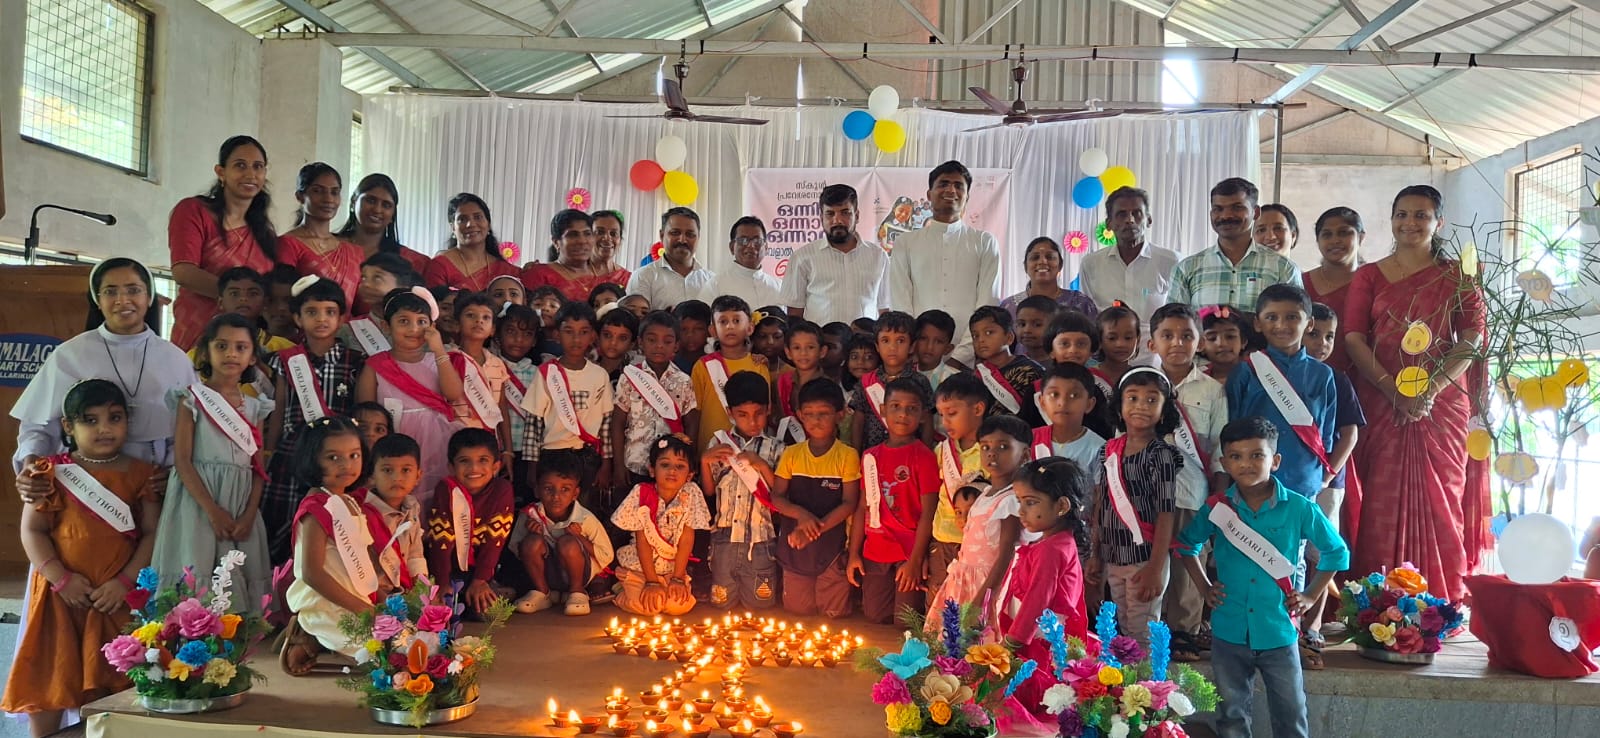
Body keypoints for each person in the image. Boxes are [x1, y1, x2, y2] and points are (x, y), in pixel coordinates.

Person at [1344, 184, 1487, 601]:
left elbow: (1472, 337)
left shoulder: (1459, 275)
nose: (1410, 223)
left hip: (1440, 406)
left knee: (1443, 498)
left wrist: (1429, 391)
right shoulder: (1369, 276)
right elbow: (1353, 338)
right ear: (1391, 220)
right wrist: (1394, 391)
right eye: (1402, 214)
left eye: (1421, 215)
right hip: (1380, 400)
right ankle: (1375, 604)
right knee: (1379, 500)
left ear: (1438, 223)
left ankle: (1441, 601)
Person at [2, 380, 160, 737]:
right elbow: (32, 532)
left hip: (114, 599)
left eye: (114, 418)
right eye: (90, 420)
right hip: (59, 598)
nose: (104, 428)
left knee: (112, 685)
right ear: (68, 427)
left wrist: (124, 582)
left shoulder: (143, 474)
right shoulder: (48, 472)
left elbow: (152, 533)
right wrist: (60, 578)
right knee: (49, 679)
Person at [1176, 417, 1348, 738]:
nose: (1246, 464)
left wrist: (1311, 594)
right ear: (1225, 463)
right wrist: (1204, 587)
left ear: (1275, 460)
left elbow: (1336, 552)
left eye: (1257, 455)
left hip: (1278, 630)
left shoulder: (1299, 508)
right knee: (1231, 715)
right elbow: (1186, 545)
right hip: (1229, 630)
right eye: (1236, 457)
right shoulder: (1217, 508)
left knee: (1291, 713)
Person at [12, 260, 195, 503]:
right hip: (82, 483)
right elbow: (38, 425)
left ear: (149, 297)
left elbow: (190, 431)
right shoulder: (70, 354)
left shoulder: (176, 359)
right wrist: (31, 464)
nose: (122, 300)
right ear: (97, 300)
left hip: (153, 485)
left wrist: (175, 471)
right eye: (110, 291)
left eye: (133, 290)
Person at [150, 313, 272, 608]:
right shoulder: (190, 399)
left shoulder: (255, 407)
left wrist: (249, 514)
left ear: (252, 357)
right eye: (222, 346)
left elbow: (258, 467)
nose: (231, 354)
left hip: (240, 501)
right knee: (197, 574)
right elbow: (182, 461)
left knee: (237, 586)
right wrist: (212, 511)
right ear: (205, 352)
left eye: (241, 347)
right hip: (198, 504)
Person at [263, 278, 365, 563]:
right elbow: (279, 410)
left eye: (330, 312)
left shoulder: (355, 361)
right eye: (312, 312)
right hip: (292, 453)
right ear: (297, 318)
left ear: (341, 318)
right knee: (282, 523)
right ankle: (282, 581)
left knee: (333, 523)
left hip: (338, 456)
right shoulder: (284, 360)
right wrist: (268, 452)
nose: (321, 319)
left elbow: (359, 411)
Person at [1148, 303, 1227, 662]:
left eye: (1186, 336)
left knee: (1187, 558)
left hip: (1192, 492)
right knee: (1149, 559)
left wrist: (1219, 495)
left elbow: (1220, 446)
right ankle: (1150, 628)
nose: (1177, 343)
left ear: (1200, 342)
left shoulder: (1212, 390)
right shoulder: (1141, 383)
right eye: (1167, 335)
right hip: (1147, 493)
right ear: (1152, 343)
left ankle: (1184, 630)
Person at [1089, 368, 1183, 647]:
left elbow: (1166, 513)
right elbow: (1102, 502)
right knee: (1123, 628)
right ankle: (1130, 676)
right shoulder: (1108, 450)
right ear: (1119, 406)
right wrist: (1095, 554)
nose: (1141, 405)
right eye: (1132, 398)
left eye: (1152, 400)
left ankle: (1149, 677)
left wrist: (1155, 567)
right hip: (1113, 555)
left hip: (1145, 557)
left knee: (1142, 633)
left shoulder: (1161, 455)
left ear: (1164, 411)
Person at [1225, 284, 1336, 511]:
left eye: (1292, 317)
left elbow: (1326, 435)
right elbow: (1230, 429)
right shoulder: (1245, 371)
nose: (1282, 325)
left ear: (1309, 323)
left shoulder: (1322, 374)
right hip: (1252, 484)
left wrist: (1322, 478)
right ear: (1258, 323)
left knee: (1298, 535)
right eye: (1271, 317)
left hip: (1303, 482)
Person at [282, 417, 378, 675]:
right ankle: (309, 632)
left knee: (415, 636)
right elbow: (311, 573)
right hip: (329, 601)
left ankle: (314, 639)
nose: (346, 465)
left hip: (356, 596)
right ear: (312, 460)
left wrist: (382, 593)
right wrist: (364, 610)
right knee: (391, 656)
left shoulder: (350, 501)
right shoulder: (316, 508)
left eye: (354, 455)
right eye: (333, 458)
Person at [1000, 458, 1093, 725]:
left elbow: (1036, 602)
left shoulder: (1052, 549)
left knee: (1030, 704)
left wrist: (1013, 642)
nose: (1021, 511)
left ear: (1062, 506)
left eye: (1030, 502)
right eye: (1019, 501)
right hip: (1034, 635)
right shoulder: (1052, 541)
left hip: (1036, 641)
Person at [355, 287, 467, 505]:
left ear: (432, 327)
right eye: (404, 321)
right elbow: (365, 411)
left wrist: (439, 350)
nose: (414, 328)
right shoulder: (376, 365)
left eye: (421, 322)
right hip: (392, 445)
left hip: (435, 442)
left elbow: (453, 394)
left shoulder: (437, 360)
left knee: (434, 498)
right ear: (386, 326)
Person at [167, 135, 279, 350]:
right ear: (221, 172)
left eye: (258, 167)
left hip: (246, 344)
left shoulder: (265, 233)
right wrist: (238, 297)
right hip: (198, 334)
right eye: (240, 165)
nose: (250, 174)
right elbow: (184, 272)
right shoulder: (194, 211)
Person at [926, 415, 1037, 632]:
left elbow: (1006, 554)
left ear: (1025, 454)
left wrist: (985, 599)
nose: (992, 453)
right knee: (955, 639)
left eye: (1003, 447)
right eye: (985, 447)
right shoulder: (985, 493)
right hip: (966, 580)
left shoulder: (1011, 500)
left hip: (989, 584)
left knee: (981, 639)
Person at [1300, 302, 1367, 659]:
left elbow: (1349, 434)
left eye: (1329, 337)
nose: (1322, 343)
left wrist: (1328, 474)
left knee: (1321, 551)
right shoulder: (1281, 376)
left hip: (1327, 481)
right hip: (1290, 477)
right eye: (1314, 334)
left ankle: (1313, 625)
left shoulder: (1337, 379)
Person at [888, 161, 1001, 367]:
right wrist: (915, 348)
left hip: (971, 359)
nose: (951, 190)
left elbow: (988, 305)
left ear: (967, 196)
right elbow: (901, 302)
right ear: (929, 194)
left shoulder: (984, 242)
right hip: (918, 358)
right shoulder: (906, 243)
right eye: (943, 184)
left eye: (958, 186)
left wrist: (961, 356)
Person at [848, 377, 939, 625]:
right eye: (896, 406)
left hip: (908, 550)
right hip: (876, 548)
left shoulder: (924, 457)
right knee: (874, 615)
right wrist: (854, 553)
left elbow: (928, 513)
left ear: (922, 415)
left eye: (912, 408)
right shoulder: (870, 456)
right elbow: (862, 508)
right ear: (882, 410)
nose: (903, 414)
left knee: (905, 622)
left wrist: (916, 560)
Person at [771, 378, 859, 618]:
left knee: (833, 613)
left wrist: (812, 529)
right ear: (799, 415)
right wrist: (801, 516)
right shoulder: (792, 454)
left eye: (824, 413)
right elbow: (777, 496)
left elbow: (849, 503)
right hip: (796, 543)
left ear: (840, 415)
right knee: (798, 610)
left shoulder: (847, 455)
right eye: (809, 414)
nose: (816, 420)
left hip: (831, 544)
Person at [700, 372, 786, 610]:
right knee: (722, 604)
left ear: (769, 409)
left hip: (761, 538)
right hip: (724, 538)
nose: (752, 422)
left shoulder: (777, 448)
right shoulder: (719, 444)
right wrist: (705, 461)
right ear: (730, 413)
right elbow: (709, 490)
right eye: (743, 415)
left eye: (759, 413)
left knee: (760, 604)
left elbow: (781, 495)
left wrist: (761, 466)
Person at [521, 301, 615, 514]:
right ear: (557, 334)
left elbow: (606, 424)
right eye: (569, 331)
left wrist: (606, 463)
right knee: (552, 510)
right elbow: (533, 423)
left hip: (587, 457)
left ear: (593, 336)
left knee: (583, 511)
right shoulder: (546, 372)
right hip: (552, 456)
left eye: (584, 332)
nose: (576, 339)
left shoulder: (599, 375)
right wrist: (532, 466)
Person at [611, 435, 712, 615]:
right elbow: (643, 541)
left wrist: (678, 579)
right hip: (642, 569)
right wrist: (651, 582)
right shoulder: (642, 493)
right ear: (652, 470)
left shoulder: (691, 493)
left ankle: (663, 589)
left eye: (680, 466)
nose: (672, 470)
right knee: (647, 607)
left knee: (679, 606)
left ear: (690, 475)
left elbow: (686, 539)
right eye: (665, 465)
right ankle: (623, 590)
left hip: (672, 570)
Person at [1169, 178, 1301, 312]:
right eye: (1218, 209)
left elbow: (1294, 320)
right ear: (1211, 214)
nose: (1226, 216)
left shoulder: (1284, 268)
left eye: (1237, 208)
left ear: (1256, 213)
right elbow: (1174, 321)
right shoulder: (1186, 269)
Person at [507, 452, 614, 616]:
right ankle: (543, 592)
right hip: (547, 574)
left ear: (575, 494)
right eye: (548, 489)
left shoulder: (584, 518)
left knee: (568, 543)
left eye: (565, 489)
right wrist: (534, 535)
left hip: (580, 576)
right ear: (537, 490)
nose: (556, 496)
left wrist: (580, 538)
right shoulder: (530, 515)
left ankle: (577, 592)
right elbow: (516, 548)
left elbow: (607, 555)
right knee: (531, 542)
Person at [426, 427, 516, 617]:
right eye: (464, 461)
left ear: (496, 466)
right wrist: (442, 583)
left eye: (482, 460)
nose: (474, 468)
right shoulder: (445, 490)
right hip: (450, 569)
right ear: (451, 468)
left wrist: (480, 580)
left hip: (485, 568)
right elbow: (440, 542)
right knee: (441, 610)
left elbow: (494, 541)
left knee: (488, 613)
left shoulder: (502, 489)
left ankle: (494, 588)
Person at [781, 184, 889, 326]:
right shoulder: (802, 258)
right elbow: (794, 314)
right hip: (821, 339)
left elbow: (885, 309)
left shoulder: (878, 256)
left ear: (856, 216)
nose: (837, 220)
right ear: (821, 218)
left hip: (866, 339)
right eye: (830, 214)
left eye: (845, 213)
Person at [615, 311, 700, 487]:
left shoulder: (683, 381)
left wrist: (689, 459)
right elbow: (617, 422)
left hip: (671, 468)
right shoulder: (630, 377)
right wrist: (618, 465)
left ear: (676, 345)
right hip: (634, 463)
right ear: (640, 342)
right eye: (652, 340)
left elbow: (691, 422)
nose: (659, 346)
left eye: (667, 341)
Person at [928, 373, 991, 595]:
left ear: (978, 409)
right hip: (942, 539)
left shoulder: (991, 451)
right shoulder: (941, 451)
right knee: (940, 599)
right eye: (941, 414)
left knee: (972, 601)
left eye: (952, 413)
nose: (945, 422)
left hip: (979, 543)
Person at [1080, 186, 1179, 317]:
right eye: (1122, 214)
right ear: (1109, 224)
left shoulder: (1171, 262)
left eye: (1137, 213)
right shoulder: (1091, 264)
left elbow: (1180, 315)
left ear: (1149, 220)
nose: (1130, 220)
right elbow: (1087, 316)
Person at [278, 162, 364, 310]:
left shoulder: (353, 251)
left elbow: (360, 305)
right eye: (318, 191)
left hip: (348, 325)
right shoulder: (288, 244)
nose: (328, 199)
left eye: (334, 192)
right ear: (300, 196)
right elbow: (283, 295)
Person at [691, 295, 770, 452]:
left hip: (749, 451)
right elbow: (694, 412)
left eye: (736, 320)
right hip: (711, 449)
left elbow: (764, 410)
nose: (730, 326)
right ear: (713, 330)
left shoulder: (759, 366)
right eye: (723, 321)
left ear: (750, 328)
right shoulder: (703, 366)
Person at [850, 311, 934, 452]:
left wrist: (926, 453)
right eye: (885, 340)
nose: (893, 347)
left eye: (900, 341)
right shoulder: (867, 382)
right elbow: (858, 421)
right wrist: (855, 454)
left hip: (910, 455)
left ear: (912, 346)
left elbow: (927, 422)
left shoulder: (920, 381)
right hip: (873, 455)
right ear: (877, 346)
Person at [363, 434, 430, 594]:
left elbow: (415, 555)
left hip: (403, 591)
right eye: (387, 470)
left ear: (418, 476)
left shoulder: (412, 506)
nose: (397, 478)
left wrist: (423, 592)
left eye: (406, 470)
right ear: (372, 475)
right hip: (372, 594)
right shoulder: (363, 512)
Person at [1302, 206, 1365, 372]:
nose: (1335, 240)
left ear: (1361, 237)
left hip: (1358, 377)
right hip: (1305, 378)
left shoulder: (1370, 283)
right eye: (1327, 234)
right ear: (1318, 240)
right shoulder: (1300, 283)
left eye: (1344, 233)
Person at [335, 173, 430, 275]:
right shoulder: (330, 247)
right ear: (353, 202)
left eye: (386, 205)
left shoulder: (412, 262)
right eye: (371, 201)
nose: (377, 209)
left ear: (393, 214)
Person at [494, 303, 542, 500]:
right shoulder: (490, 367)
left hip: (527, 452)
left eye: (527, 334)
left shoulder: (538, 373)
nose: (518, 339)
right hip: (496, 449)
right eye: (511, 331)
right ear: (497, 335)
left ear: (534, 340)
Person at [424, 193, 520, 291]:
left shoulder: (506, 270)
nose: (470, 224)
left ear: (488, 224)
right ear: (453, 227)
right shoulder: (440, 265)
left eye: (478, 217)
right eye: (462, 219)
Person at [969, 305, 1045, 427]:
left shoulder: (1030, 371)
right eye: (975, 335)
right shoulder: (977, 376)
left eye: (989, 332)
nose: (981, 340)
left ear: (1009, 338)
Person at [626, 207, 716, 308]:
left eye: (690, 234)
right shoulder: (643, 277)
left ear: (698, 238)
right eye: (675, 233)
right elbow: (635, 316)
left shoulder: (712, 280)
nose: (682, 240)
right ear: (662, 235)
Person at [1033, 362, 1108, 477]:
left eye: (1074, 395)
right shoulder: (1029, 439)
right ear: (1042, 402)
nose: (1062, 403)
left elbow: (1099, 488)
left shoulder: (1100, 449)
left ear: (1089, 404)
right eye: (1054, 394)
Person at [999, 237, 1098, 321]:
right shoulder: (1009, 306)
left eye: (1050, 257)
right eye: (1035, 257)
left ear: (1060, 265)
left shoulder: (1079, 302)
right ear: (1026, 266)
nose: (1042, 261)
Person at [525, 209, 609, 304]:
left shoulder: (605, 276)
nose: (582, 241)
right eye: (573, 235)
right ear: (556, 242)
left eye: (587, 234)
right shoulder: (539, 274)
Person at [703, 216, 783, 308]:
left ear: (766, 247)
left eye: (757, 241)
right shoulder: (715, 286)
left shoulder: (779, 287)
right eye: (743, 240)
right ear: (732, 247)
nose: (751, 246)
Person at [775, 320, 827, 445]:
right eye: (797, 348)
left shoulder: (827, 386)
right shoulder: (782, 381)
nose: (803, 353)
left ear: (822, 351)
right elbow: (781, 418)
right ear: (788, 352)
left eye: (810, 347)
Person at [1094, 301, 1145, 387]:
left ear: (1138, 339)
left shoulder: (1141, 379)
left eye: (1128, 338)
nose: (1121, 344)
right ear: (1100, 340)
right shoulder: (1090, 377)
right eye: (1112, 338)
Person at [913, 310, 961, 392]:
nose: (929, 347)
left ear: (947, 349)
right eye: (923, 338)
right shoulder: (904, 375)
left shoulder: (957, 381)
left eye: (938, 342)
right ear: (914, 341)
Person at [589, 209, 634, 288]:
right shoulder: (575, 275)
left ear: (620, 240)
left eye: (613, 234)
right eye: (600, 232)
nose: (607, 238)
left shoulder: (628, 280)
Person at [595, 307, 638, 385]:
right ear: (598, 337)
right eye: (607, 335)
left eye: (622, 338)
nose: (613, 343)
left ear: (632, 344)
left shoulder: (634, 377)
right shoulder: (584, 368)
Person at [672, 299, 712, 374]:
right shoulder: (669, 363)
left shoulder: (716, 363)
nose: (690, 334)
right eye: (683, 329)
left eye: (698, 328)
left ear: (710, 331)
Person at [1013, 294, 1058, 360]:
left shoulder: (1062, 362)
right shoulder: (1015, 363)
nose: (1027, 330)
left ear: (1055, 327)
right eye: (1022, 324)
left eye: (1037, 325)